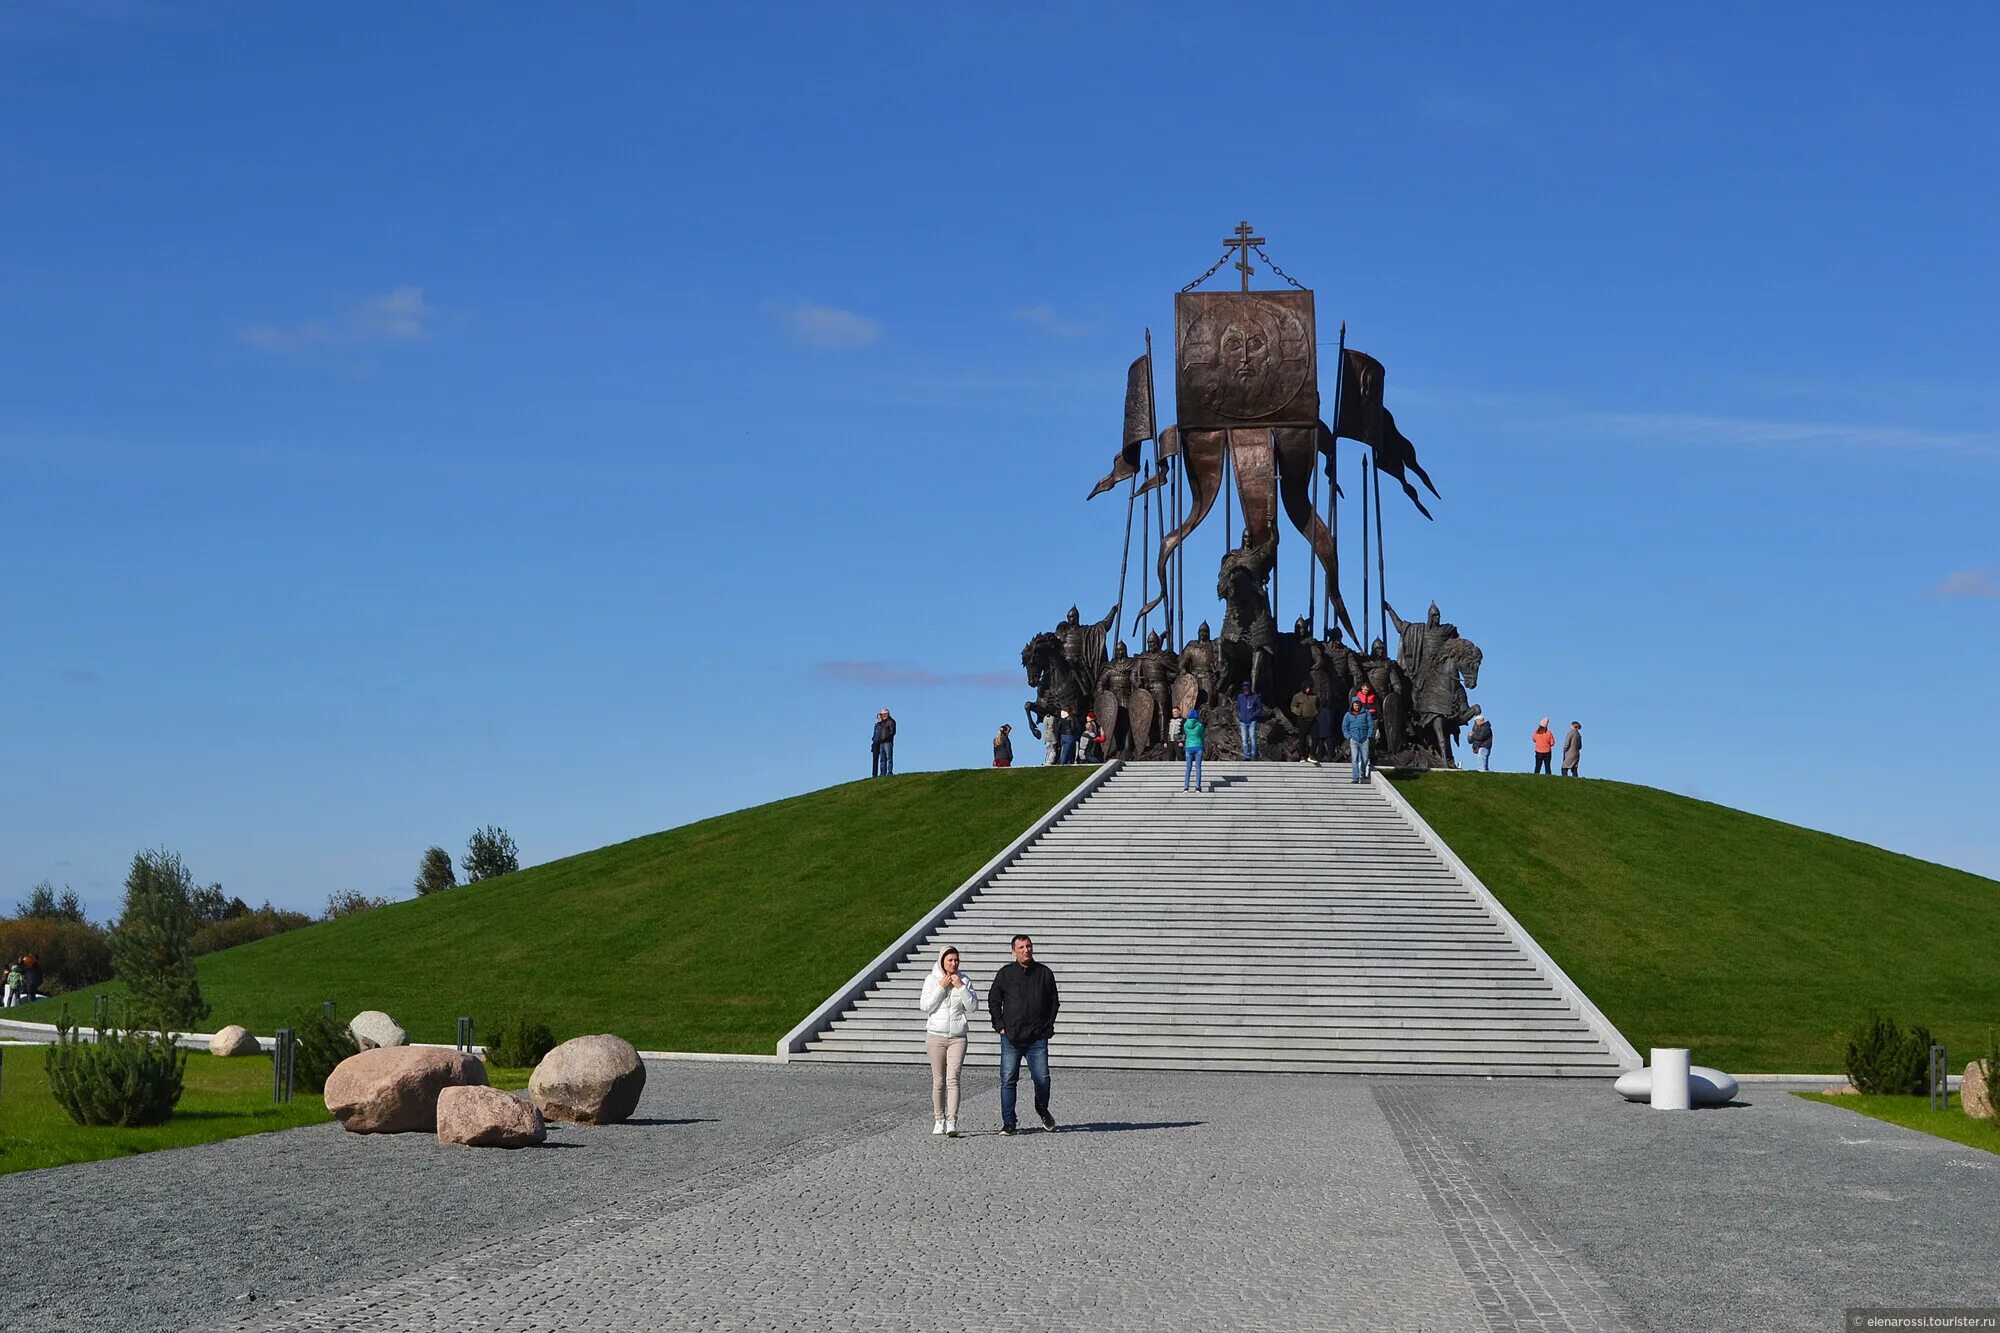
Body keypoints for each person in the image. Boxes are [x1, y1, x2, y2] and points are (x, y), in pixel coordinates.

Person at [987, 934, 1058, 1134]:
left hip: (1037, 1037)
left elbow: (1054, 1002)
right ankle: (1009, 1123)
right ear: (1013, 951)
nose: (1026, 950)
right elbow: (994, 1000)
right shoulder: (1005, 973)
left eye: (1028, 946)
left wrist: (1048, 1027)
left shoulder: (1044, 973)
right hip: (1011, 1037)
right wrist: (1000, 1026)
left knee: (1042, 1078)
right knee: (1008, 1079)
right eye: (1021, 947)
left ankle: (1042, 1108)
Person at [919, 945, 979, 1136]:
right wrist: (941, 987)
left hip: (957, 1037)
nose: (954, 963)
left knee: (953, 1079)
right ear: (942, 961)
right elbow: (925, 1006)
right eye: (950, 960)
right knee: (938, 1081)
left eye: (956, 960)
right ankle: (939, 1119)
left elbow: (973, 1006)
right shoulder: (931, 979)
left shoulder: (964, 980)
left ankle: (952, 1121)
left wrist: (961, 987)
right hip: (935, 1035)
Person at [1341, 697, 1374, 783]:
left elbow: (1370, 725)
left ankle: (1362, 773)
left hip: (1364, 739)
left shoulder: (1366, 713)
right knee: (1354, 759)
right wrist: (1349, 737)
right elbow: (1344, 727)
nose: (1357, 706)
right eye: (1355, 705)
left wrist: (1369, 736)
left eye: (1358, 705)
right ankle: (1355, 778)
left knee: (1365, 759)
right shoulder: (1348, 715)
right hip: (1354, 740)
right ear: (1352, 705)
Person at [1290, 683, 1320, 764]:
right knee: (1302, 738)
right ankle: (1302, 756)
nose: (1308, 689)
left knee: (1315, 737)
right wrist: (1299, 712)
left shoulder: (1314, 696)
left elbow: (1318, 705)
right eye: (1307, 688)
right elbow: (1292, 706)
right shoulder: (1297, 696)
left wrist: (1316, 712)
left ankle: (1312, 754)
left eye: (1309, 688)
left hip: (1313, 719)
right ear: (1303, 688)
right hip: (1303, 719)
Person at [1181, 706, 1207, 791]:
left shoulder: (1185, 725)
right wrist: (1203, 744)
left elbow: (1186, 734)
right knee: (1198, 768)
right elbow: (1202, 736)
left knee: (1188, 768)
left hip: (1188, 747)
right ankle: (1197, 787)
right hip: (1198, 746)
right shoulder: (1200, 725)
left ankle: (1186, 787)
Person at [1234, 682, 1261, 759]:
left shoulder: (1255, 697)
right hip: (1243, 721)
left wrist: (1253, 715)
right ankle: (1247, 755)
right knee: (1244, 739)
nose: (1245, 690)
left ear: (1249, 688)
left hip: (1252, 721)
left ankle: (1253, 754)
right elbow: (1237, 707)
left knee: (1252, 737)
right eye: (1244, 689)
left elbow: (1259, 708)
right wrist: (1239, 715)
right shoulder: (1240, 697)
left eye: (1246, 689)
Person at [871, 709, 897, 777]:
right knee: (882, 759)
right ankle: (882, 773)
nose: (883, 715)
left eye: (884, 714)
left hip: (888, 742)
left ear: (888, 714)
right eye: (882, 714)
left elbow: (892, 732)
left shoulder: (891, 721)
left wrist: (885, 738)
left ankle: (889, 772)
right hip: (881, 743)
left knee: (889, 758)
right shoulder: (882, 723)